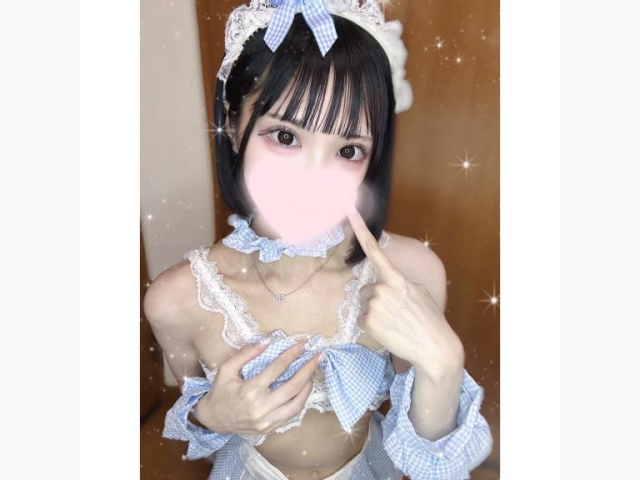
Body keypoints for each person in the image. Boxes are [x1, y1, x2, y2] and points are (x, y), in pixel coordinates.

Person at [144, 1, 493, 478]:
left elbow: (431, 466)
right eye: (285, 137)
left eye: (348, 149)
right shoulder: (175, 299)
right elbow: (198, 430)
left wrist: (445, 365)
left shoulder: (414, 273)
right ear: (233, 124)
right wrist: (212, 415)